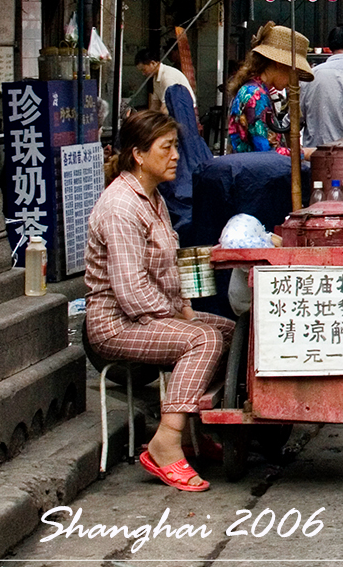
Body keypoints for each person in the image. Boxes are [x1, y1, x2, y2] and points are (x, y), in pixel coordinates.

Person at [85, 110, 235, 492]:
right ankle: (165, 442)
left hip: (149, 316)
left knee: (232, 334)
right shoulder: (121, 206)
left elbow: (166, 272)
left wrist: (185, 308)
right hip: (115, 325)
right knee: (204, 339)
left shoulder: (152, 199)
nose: (175, 157)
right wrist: (184, 322)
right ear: (138, 154)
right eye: (166, 148)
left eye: (175, 147)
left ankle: (191, 434)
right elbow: (131, 290)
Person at [136, 49, 211, 241]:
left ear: (152, 63)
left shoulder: (170, 79)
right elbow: (154, 107)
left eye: (143, 68)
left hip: (181, 125)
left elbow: (164, 109)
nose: (143, 73)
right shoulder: (156, 80)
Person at [226, 23, 313, 156]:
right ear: (279, 64)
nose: (293, 81)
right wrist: (304, 153)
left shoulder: (258, 90)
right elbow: (266, 152)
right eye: (293, 72)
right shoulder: (255, 95)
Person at [136, 49, 193, 118]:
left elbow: (165, 108)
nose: (143, 73)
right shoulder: (155, 78)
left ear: (153, 63)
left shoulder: (167, 76)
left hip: (185, 113)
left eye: (144, 69)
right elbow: (155, 105)